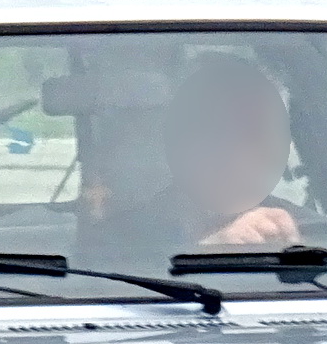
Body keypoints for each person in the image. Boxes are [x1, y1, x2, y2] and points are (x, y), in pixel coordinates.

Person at [84, 56, 304, 263]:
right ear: (177, 138)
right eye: (213, 130)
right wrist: (210, 252)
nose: (235, 152)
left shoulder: (317, 233)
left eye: (254, 133)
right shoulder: (115, 243)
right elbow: (107, 287)